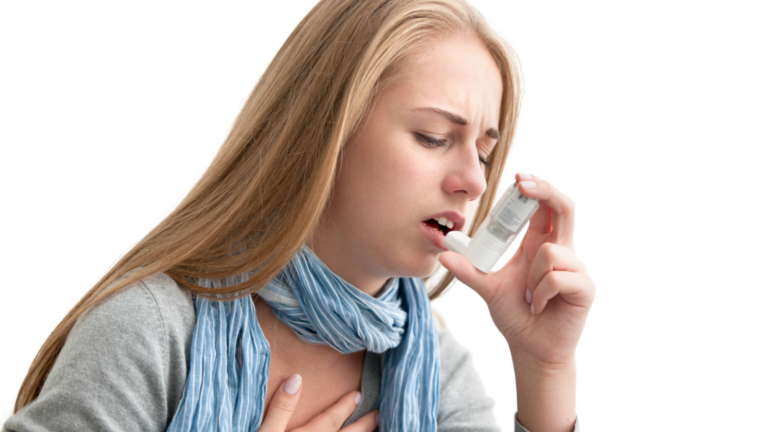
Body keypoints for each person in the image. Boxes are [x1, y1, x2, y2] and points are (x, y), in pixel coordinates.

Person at [3, 0, 595, 431]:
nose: (474, 181)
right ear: (324, 135)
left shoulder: (430, 360)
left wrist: (545, 371)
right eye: (433, 136)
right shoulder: (151, 332)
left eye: (486, 152)